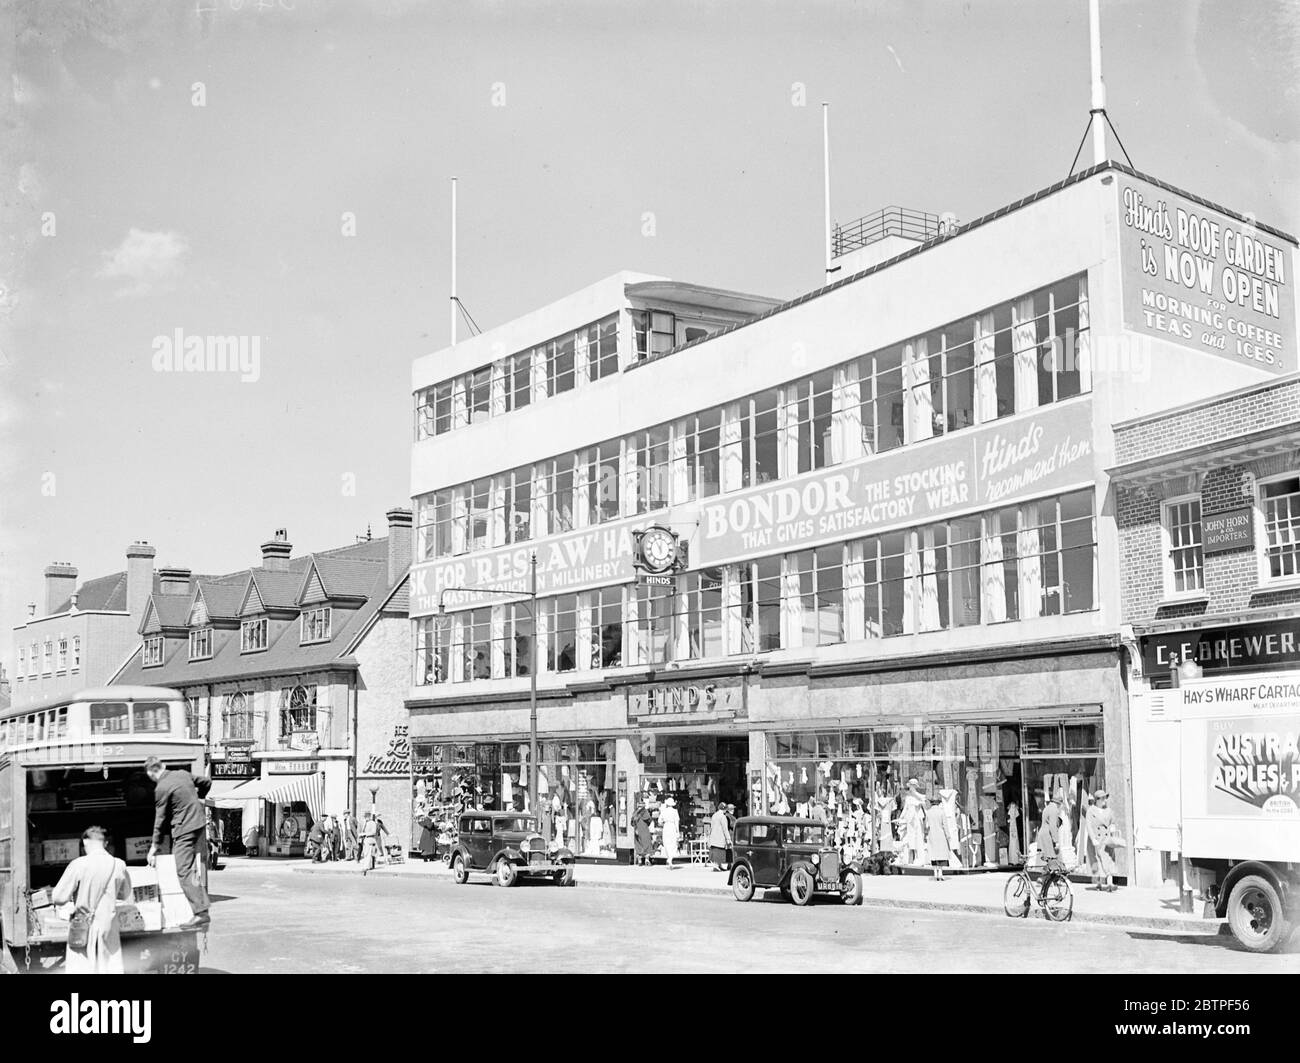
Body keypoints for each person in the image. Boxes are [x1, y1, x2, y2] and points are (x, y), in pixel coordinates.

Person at [51, 826, 134, 974]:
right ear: (106, 843)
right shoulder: (119, 864)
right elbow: (125, 895)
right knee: (109, 968)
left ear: (85, 843)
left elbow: (58, 898)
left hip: (82, 928)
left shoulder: (78, 864)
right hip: (108, 928)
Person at [145, 755, 211, 930]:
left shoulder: (161, 788)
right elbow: (206, 782)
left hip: (184, 829)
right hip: (199, 823)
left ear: (151, 773)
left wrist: (154, 847)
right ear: (163, 765)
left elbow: (159, 821)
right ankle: (201, 906)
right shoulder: (183, 774)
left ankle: (201, 913)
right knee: (190, 869)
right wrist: (198, 799)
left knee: (183, 871)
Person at [1085, 789, 1119, 892]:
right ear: (1097, 800)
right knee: (1099, 860)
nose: (1105, 800)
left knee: (1109, 859)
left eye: (1105, 798)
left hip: (1107, 839)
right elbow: (1089, 825)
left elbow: (1112, 822)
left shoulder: (1109, 810)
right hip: (1097, 839)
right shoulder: (1091, 810)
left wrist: (1113, 828)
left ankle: (1109, 883)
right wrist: (1093, 838)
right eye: (1103, 798)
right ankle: (1100, 882)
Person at [925, 793, 954, 882]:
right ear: (938, 803)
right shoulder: (941, 812)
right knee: (941, 854)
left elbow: (926, 826)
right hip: (941, 835)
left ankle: (935, 873)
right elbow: (945, 825)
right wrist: (948, 836)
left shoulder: (928, 812)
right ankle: (940, 874)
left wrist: (926, 834)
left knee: (933, 854)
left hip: (932, 834)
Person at [708, 802, 732, 871]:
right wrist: (728, 839)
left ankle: (719, 865)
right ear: (724, 809)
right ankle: (717, 865)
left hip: (713, 838)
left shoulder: (714, 815)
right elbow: (725, 829)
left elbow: (711, 827)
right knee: (720, 852)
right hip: (720, 838)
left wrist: (709, 838)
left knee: (715, 851)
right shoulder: (723, 817)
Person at [659, 797, 680, 870]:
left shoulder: (663, 811)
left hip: (666, 827)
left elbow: (659, 821)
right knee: (673, 843)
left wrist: (663, 823)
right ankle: (670, 859)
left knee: (666, 843)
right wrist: (678, 831)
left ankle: (669, 858)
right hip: (672, 827)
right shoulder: (675, 811)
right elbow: (677, 822)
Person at [632, 802, 654, 866]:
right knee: (647, 845)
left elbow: (632, 823)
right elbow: (649, 821)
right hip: (644, 830)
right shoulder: (645, 812)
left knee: (639, 845)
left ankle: (639, 860)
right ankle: (647, 860)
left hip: (637, 831)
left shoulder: (635, 813)